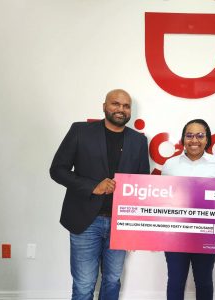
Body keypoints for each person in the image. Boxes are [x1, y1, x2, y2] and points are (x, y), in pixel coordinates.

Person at [50, 89, 150, 300]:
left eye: (126, 106)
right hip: (86, 221)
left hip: (120, 224)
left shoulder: (138, 141)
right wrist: (92, 186)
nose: (121, 109)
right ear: (104, 106)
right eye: (115, 103)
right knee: (84, 284)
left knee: (112, 281)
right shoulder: (80, 131)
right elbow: (57, 170)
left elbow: (143, 185)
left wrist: (136, 228)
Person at [161, 119, 215, 300]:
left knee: (204, 281)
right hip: (175, 235)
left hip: (207, 234)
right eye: (189, 135)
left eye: (200, 135)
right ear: (183, 139)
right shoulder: (170, 165)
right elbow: (162, 202)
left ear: (207, 139)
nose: (194, 140)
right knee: (175, 281)